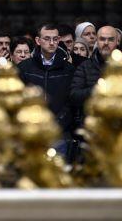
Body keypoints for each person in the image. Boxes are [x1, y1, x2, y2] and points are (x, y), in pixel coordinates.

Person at [17, 24, 75, 157]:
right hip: (30, 129)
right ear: (38, 41)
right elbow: (19, 99)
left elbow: (70, 101)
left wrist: (58, 123)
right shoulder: (24, 67)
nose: (52, 42)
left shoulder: (68, 69)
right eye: (47, 38)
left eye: (55, 39)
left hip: (59, 132)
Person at [70, 25, 118, 109]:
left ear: (117, 41)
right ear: (97, 41)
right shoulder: (85, 66)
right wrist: (97, 89)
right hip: (92, 117)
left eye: (110, 39)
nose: (106, 43)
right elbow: (74, 96)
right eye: (102, 39)